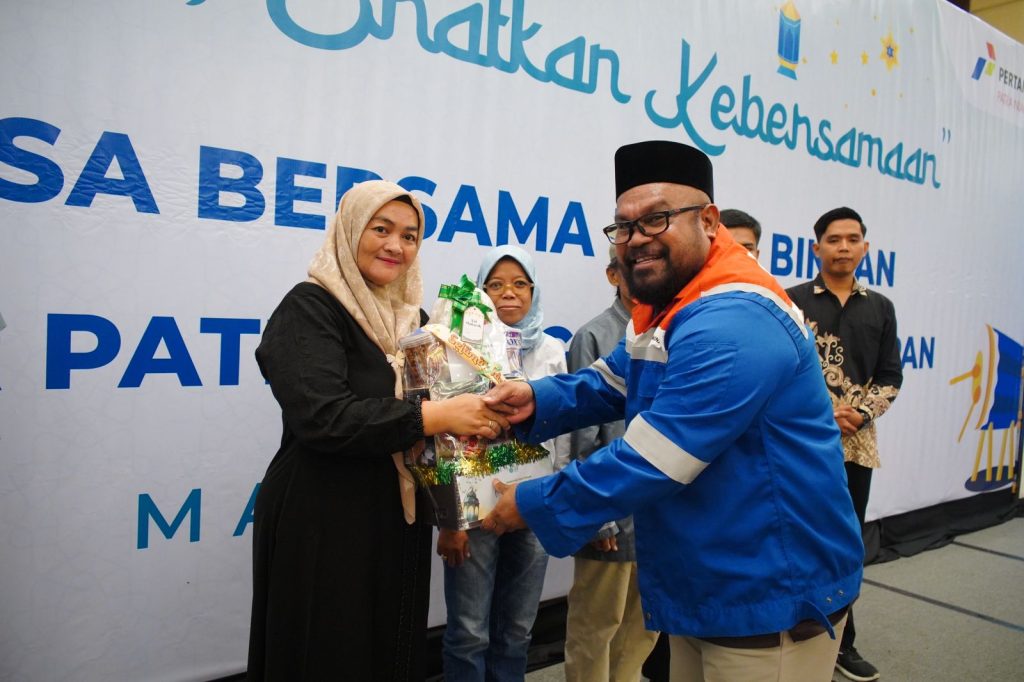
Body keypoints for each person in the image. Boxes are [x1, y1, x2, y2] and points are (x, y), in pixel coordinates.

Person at [481, 141, 865, 682]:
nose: (637, 239)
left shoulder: (735, 317)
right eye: (624, 226)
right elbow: (612, 380)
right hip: (708, 581)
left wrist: (531, 502)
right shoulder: (671, 305)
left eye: (657, 219)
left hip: (768, 592)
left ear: (708, 220)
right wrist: (535, 400)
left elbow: (656, 457)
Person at [246, 180, 510, 681]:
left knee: (391, 646)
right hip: (324, 514)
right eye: (381, 229)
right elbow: (323, 417)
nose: (396, 245)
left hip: (396, 515)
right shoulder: (310, 307)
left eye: (410, 236)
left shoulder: (417, 321)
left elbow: (446, 420)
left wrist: (462, 488)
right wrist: (435, 417)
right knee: (329, 650)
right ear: (350, 231)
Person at [437, 245, 570, 682]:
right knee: (469, 633)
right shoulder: (457, 347)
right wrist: (451, 519)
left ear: (534, 291)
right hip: (476, 509)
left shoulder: (552, 349)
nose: (508, 293)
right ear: (480, 293)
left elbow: (564, 434)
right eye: (495, 285)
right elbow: (443, 436)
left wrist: (556, 498)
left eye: (519, 284)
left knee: (517, 631)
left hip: (535, 502)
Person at [786, 207, 903, 682]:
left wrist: (862, 413)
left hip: (856, 443)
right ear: (816, 248)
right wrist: (821, 413)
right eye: (834, 240)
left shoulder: (881, 307)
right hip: (801, 440)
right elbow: (779, 368)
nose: (844, 247)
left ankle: (842, 642)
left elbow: (891, 375)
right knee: (795, 534)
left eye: (853, 239)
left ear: (865, 248)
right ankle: (790, 631)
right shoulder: (790, 301)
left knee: (845, 541)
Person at [563, 246, 658, 682]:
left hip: (658, 513)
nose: (643, 274)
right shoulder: (594, 335)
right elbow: (581, 436)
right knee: (595, 628)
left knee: (643, 630)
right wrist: (596, 516)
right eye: (631, 266)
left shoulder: (670, 330)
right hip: (610, 513)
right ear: (613, 275)